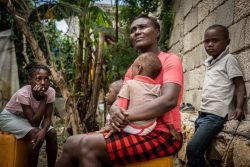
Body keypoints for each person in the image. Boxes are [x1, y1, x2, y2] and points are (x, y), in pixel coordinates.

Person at [55, 14, 183, 167]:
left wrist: (124, 116)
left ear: (157, 33)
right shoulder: (133, 69)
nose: (136, 32)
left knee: (87, 145)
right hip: (134, 128)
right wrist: (115, 109)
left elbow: (169, 100)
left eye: (143, 27)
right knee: (71, 143)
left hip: (163, 135)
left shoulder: (170, 60)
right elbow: (120, 99)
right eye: (133, 29)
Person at [186, 24, 247, 167]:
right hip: (203, 114)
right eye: (206, 41)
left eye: (215, 40)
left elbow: (239, 84)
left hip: (215, 116)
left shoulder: (229, 59)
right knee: (198, 152)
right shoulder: (209, 62)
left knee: (192, 150)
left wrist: (239, 107)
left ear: (227, 42)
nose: (210, 44)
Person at [101, 52, 179, 138]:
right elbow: (165, 111)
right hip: (147, 128)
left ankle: (108, 127)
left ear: (139, 68)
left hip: (130, 127)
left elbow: (121, 106)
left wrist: (116, 125)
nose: (131, 71)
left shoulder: (129, 84)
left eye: (132, 68)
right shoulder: (158, 88)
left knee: (110, 116)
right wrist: (171, 128)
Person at [0, 64, 58, 167]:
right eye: (38, 79)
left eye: (46, 79)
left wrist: (44, 131)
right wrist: (44, 99)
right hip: (9, 117)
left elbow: (48, 117)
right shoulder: (23, 93)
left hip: (26, 119)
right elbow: (34, 122)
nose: (43, 83)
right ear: (30, 81)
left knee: (52, 133)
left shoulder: (51, 92)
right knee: (35, 133)